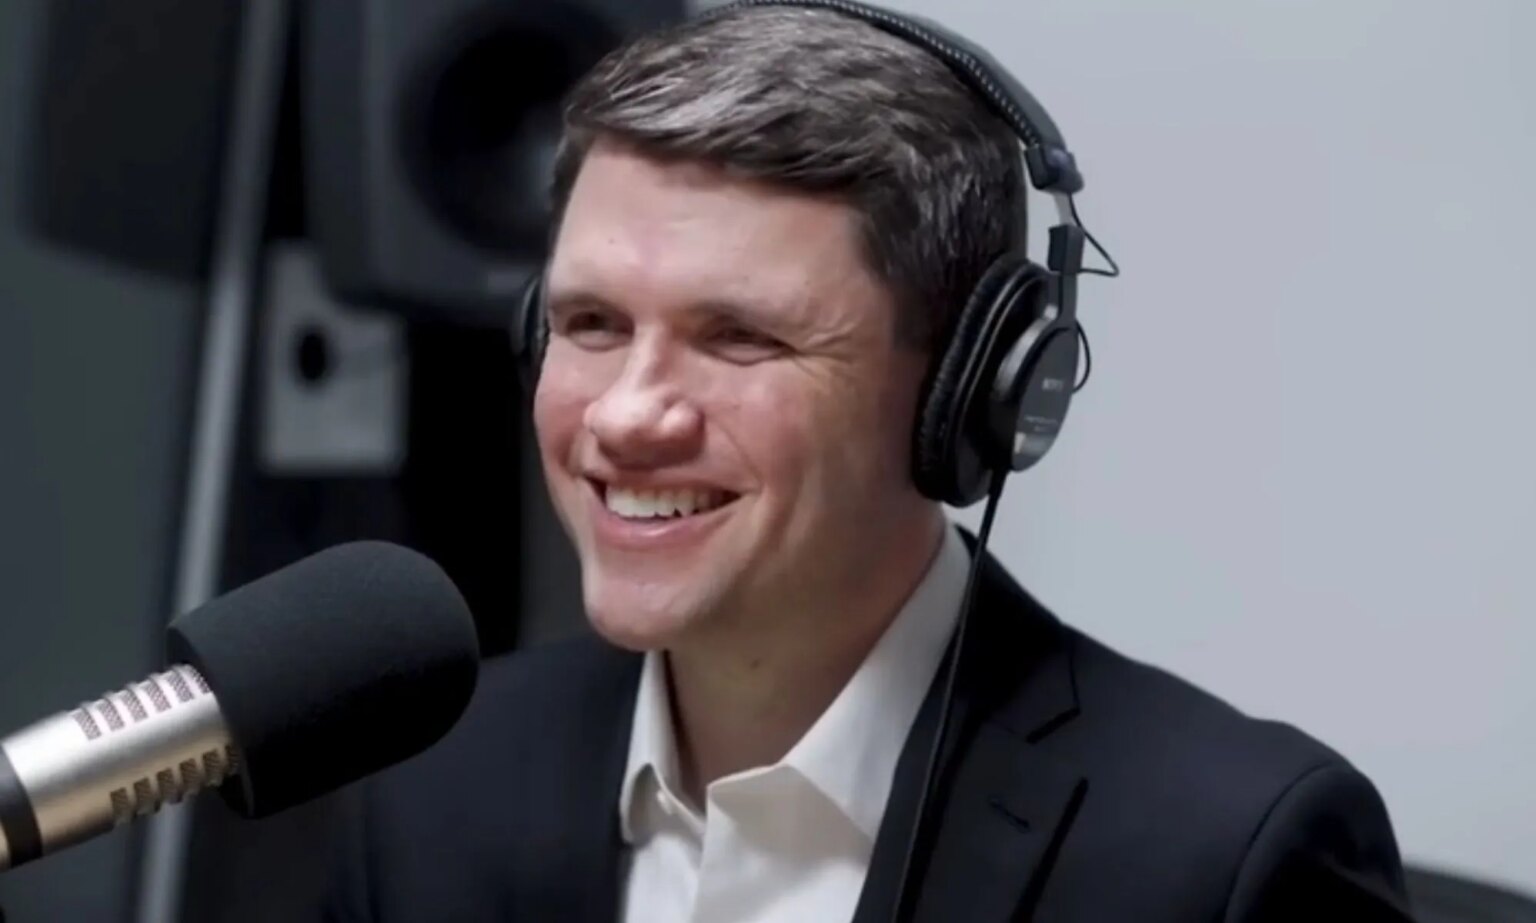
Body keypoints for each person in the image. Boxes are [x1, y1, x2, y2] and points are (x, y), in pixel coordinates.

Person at [320, 3, 1414, 921]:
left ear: (966, 391)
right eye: (593, 323)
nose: (628, 414)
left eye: (740, 336)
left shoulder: (1225, 853)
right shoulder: (427, 786)